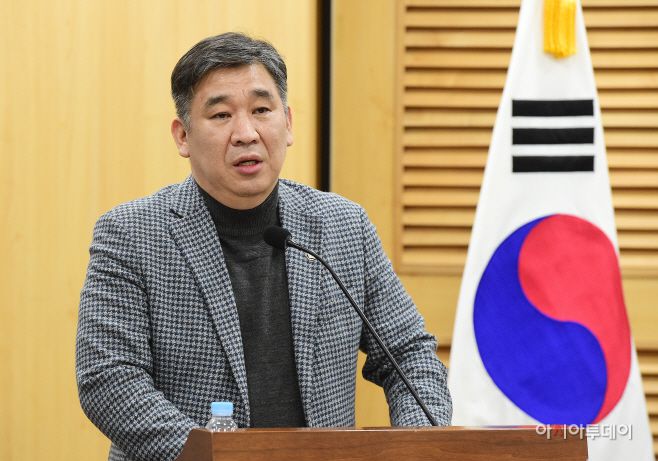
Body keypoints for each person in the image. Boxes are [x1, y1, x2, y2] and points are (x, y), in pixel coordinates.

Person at [76, 32, 452, 461]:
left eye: (261, 110)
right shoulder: (131, 234)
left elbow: (409, 354)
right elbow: (109, 379)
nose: (246, 133)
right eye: (221, 115)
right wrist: (217, 455)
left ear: (287, 123)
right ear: (182, 136)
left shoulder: (343, 226)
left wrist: (419, 446)